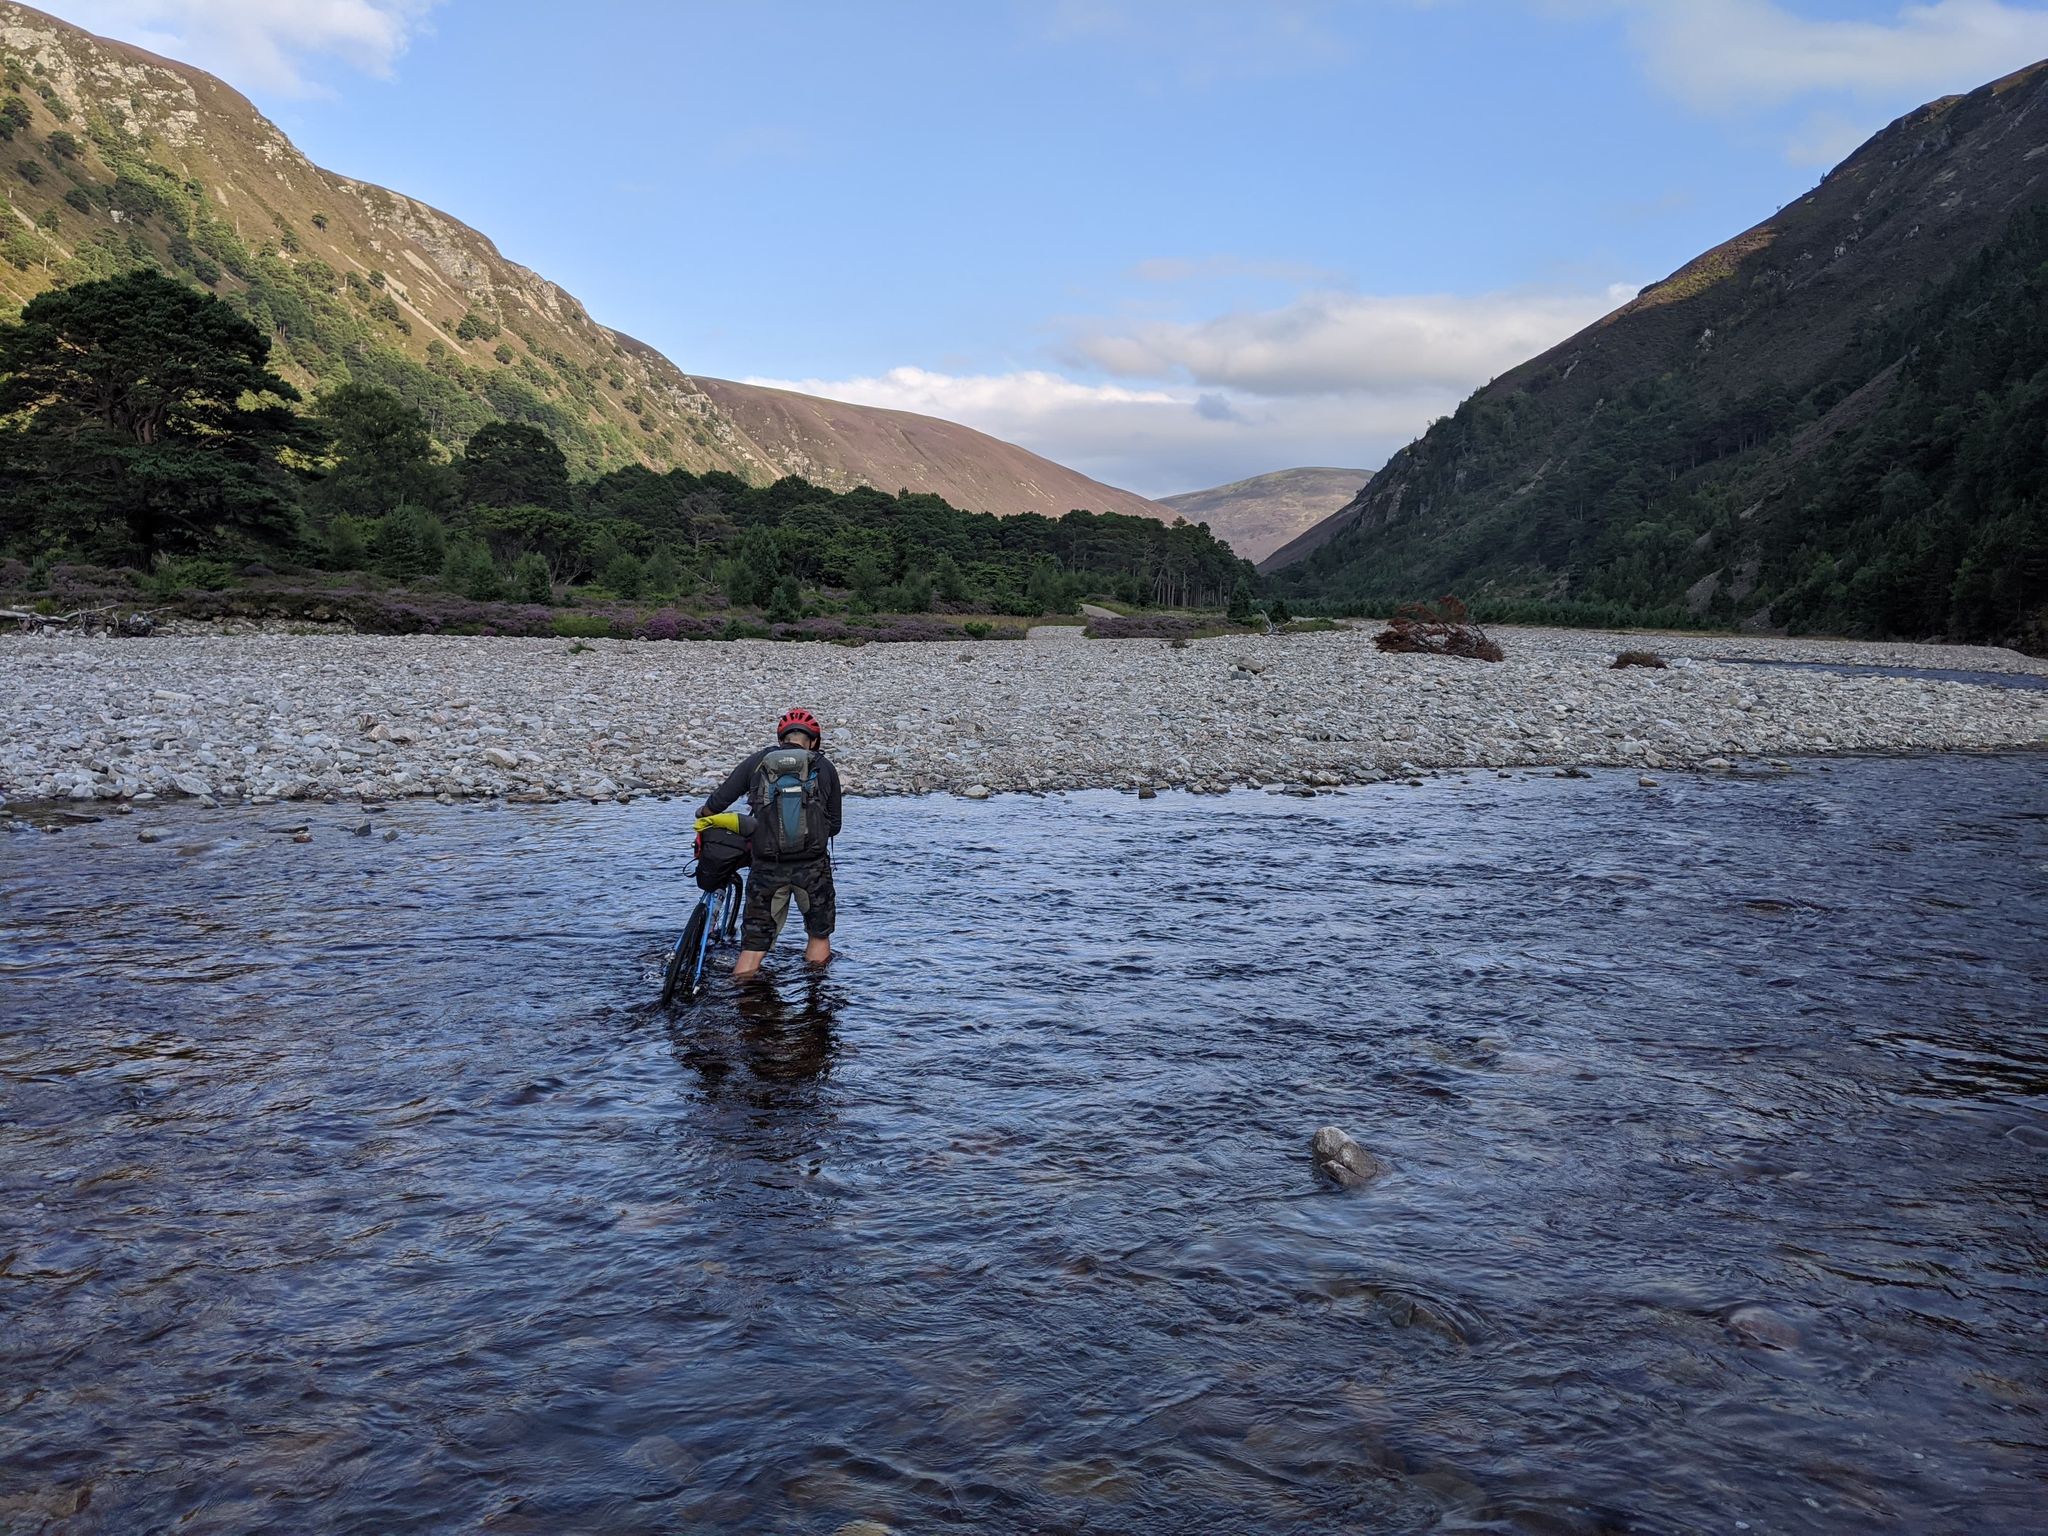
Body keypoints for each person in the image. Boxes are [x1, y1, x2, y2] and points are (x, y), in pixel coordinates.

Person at [697, 707, 842, 978]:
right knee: (818, 936)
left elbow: (720, 799)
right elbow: (835, 826)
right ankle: (816, 999)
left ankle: (744, 1003)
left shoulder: (758, 761)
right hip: (812, 869)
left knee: (752, 948)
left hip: (766, 869)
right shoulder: (824, 767)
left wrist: (703, 815)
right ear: (813, 741)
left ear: (781, 738)